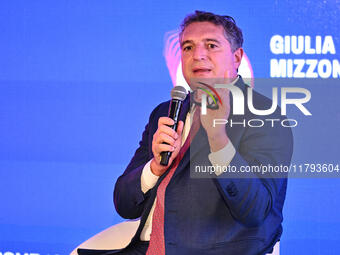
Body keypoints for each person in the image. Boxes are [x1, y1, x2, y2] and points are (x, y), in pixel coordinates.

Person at [79, 10, 293, 255]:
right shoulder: (166, 111)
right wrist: (154, 168)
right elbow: (124, 204)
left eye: (211, 45)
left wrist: (218, 140)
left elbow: (256, 211)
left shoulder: (264, 114)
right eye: (188, 47)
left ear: (237, 57)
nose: (198, 55)